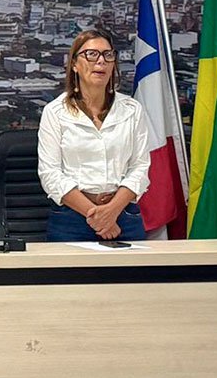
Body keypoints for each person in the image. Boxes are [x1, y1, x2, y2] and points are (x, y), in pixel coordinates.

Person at [37, 30, 150, 242]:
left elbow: (140, 168)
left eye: (108, 55)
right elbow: (50, 173)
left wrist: (111, 211)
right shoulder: (55, 112)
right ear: (74, 64)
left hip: (123, 216)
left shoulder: (132, 110)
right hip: (71, 218)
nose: (101, 61)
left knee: (132, 276)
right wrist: (96, 216)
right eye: (91, 54)